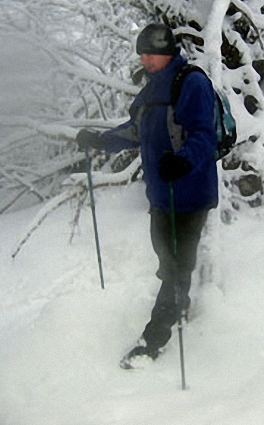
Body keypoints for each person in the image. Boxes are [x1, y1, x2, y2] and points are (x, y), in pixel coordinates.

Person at [76, 23, 218, 368]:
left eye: (150, 53)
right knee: (168, 260)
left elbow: (205, 134)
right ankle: (178, 303)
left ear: (166, 51)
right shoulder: (152, 88)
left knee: (175, 266)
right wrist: (100, 141)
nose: (144, 59)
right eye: (141, 53)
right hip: (160, 196)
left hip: (190, 195)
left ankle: (153, 339)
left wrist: (182, 162)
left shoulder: (191, 82)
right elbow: (135, 131)